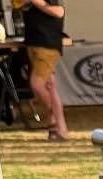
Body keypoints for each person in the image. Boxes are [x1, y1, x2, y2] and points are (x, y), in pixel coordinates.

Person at [18, 0, 68, 141]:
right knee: (50, 86)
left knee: (37, 84)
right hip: (33, 44)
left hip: (47, 45)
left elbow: (59, 12)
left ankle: (56, 117)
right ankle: (58, 128)